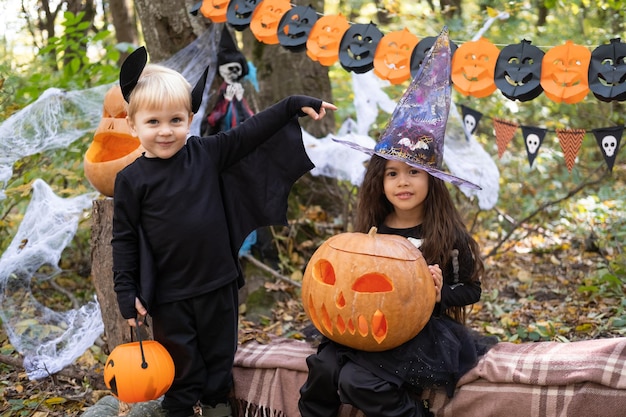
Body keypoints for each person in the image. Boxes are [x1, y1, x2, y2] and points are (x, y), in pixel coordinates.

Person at [111, 46, 336, 417]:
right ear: (133, 124)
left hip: (218, 283)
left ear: (190, 118)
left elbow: (251, 132)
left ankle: (218, 407)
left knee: (219, 359)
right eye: (153, 122)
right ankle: (180, 410)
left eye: (175, 120)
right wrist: (125, 290)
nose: (165, 131)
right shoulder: (131, 180)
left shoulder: (206, 153)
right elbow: (124, 238)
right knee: (181, 368)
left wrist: (292, 104)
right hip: (169, 295)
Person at [298, 27, 495, 417]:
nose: (402, 182)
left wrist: (440, 293)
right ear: (380, 182)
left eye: (413, 173)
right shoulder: (373, 229)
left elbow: (471, 290)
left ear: (431, 181)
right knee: (323, 367)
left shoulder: (446, 233)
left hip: (419, 333)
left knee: (357, 381)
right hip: (365, 323)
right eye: (392, 174)